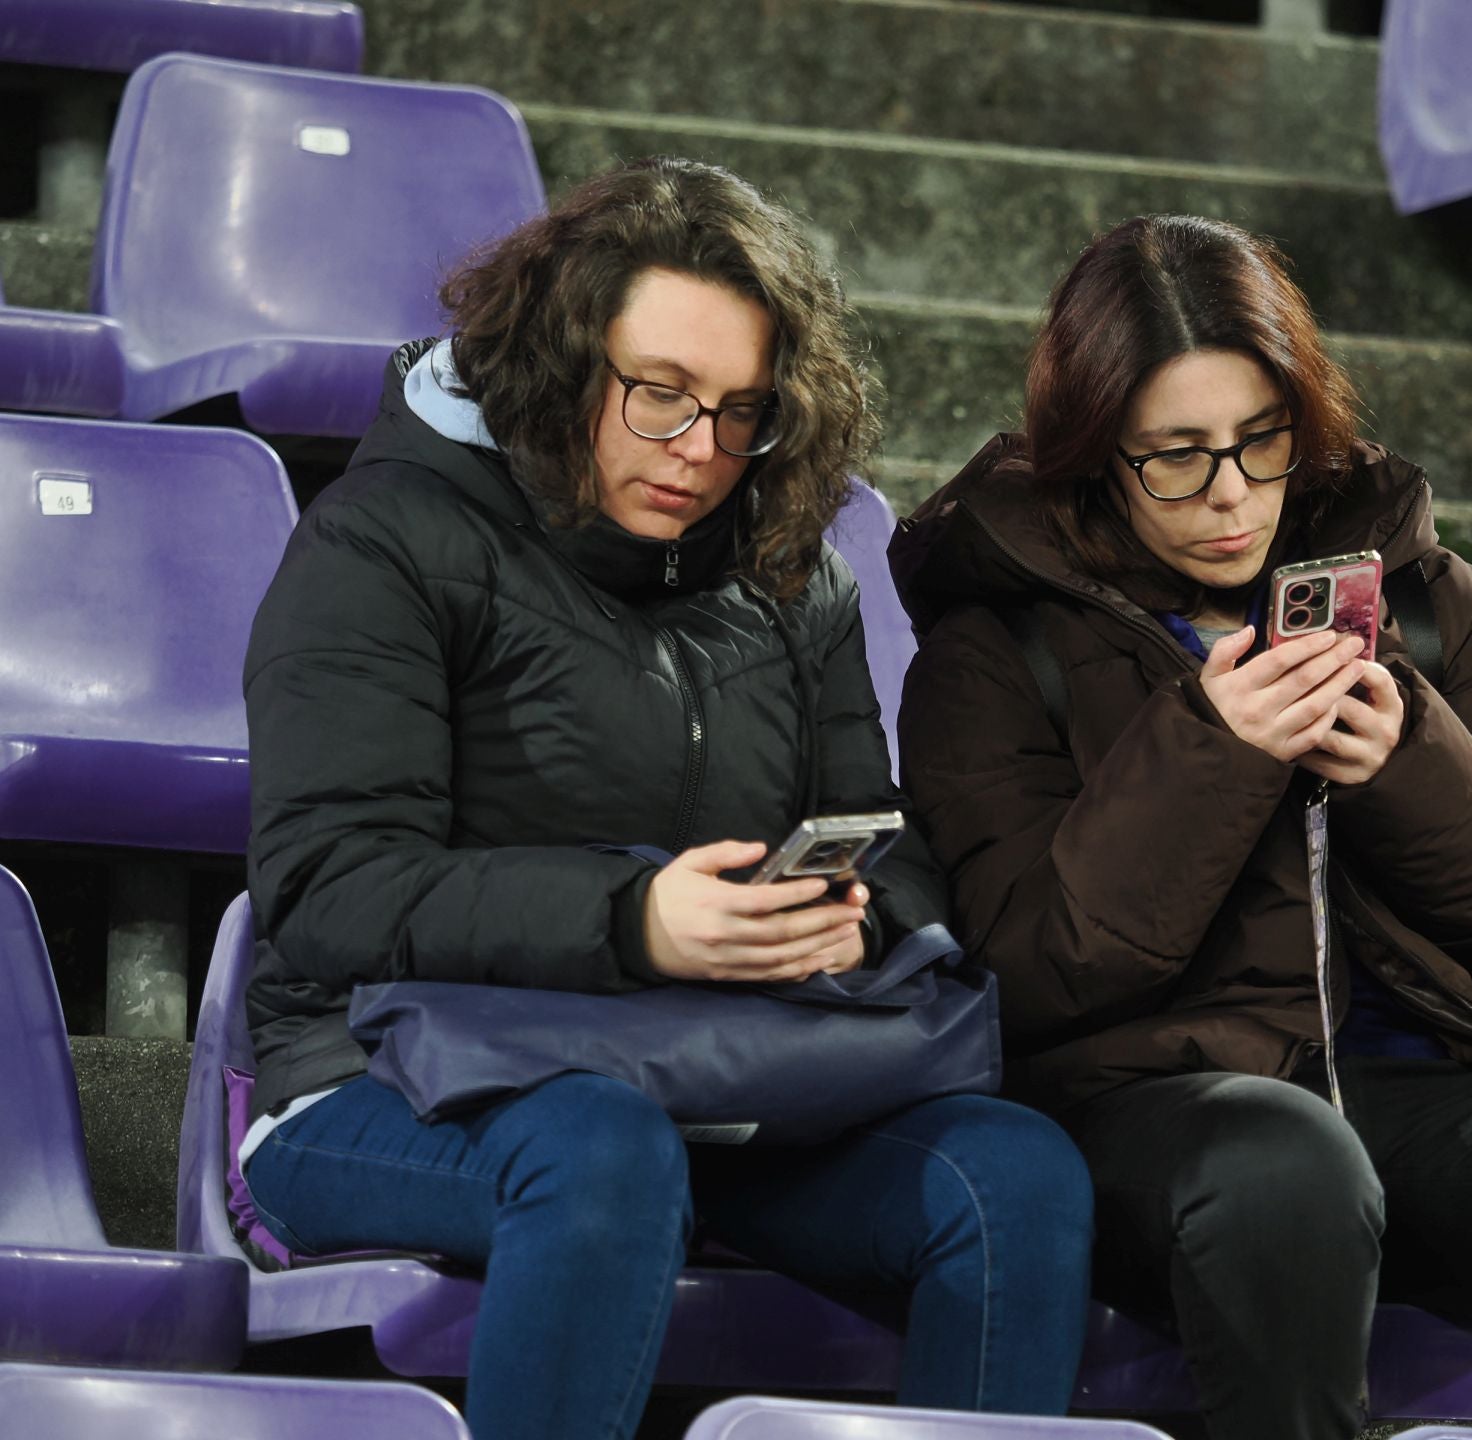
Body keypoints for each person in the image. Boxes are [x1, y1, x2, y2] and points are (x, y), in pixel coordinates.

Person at [888, 213, 1472, 1440]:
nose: (1230, 496)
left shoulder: (1429, 603)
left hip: (1410, 1087)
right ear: (1093, 453)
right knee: (1286, 1164)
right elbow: (1029, 971)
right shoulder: (995, 647)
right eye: (1175, 457)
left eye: (1259, 442)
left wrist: (1409, 761)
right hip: (1158, 1104)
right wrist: (1211, 750)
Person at [238, 157, 1094, 1440]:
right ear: (562, 365)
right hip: (384, 1074)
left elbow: (896, 849)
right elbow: (328, 888)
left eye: (742, 410)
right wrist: (635, 919)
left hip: (707, 1069)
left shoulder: (795, 579)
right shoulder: (383, 539)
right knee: (598, 1151)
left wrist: (843, 918)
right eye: (660, 397)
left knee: (1013, 1175)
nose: (700, 452)